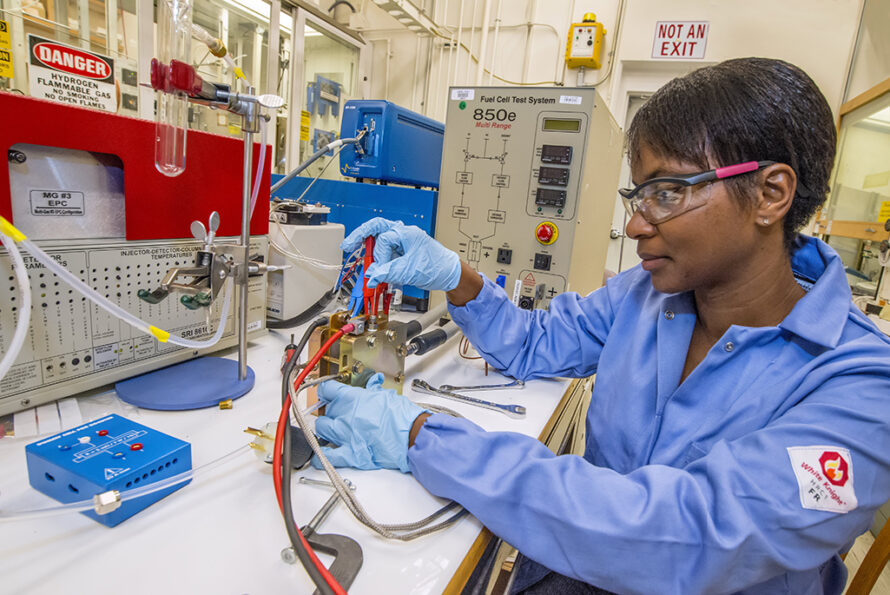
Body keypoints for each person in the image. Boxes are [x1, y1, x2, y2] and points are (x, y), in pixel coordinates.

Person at [310, 57, 890, 594]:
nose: (636, 225)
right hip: (574, 567)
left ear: (770, 193)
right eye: (638, 194)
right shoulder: (645, 296)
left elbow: (687, 534)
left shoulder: (862, 386)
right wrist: (456, 274)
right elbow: (533, 345)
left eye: (668, 192)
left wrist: (424, 438)